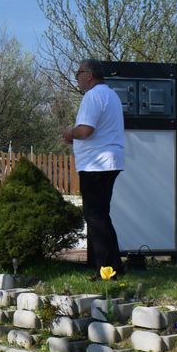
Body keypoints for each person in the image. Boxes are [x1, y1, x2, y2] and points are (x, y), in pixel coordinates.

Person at [61, 58, 125, 272]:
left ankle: (106, 269)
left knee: (95, 217)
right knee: (101, 216)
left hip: (96, 163)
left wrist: (71, 133)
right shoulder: (111, 95)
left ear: (89, 74)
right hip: (110, 160)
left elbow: (86, 130)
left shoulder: (93, 95)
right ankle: (114, 266)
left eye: (79, 73)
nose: (77, 78)